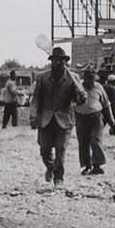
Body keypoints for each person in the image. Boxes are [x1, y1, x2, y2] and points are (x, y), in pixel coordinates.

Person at [31, 46, 84, 187]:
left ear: (65, 62)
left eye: (61, 60)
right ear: (51, 61)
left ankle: (58, 177)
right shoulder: (42, 77)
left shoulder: (74, 78)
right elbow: (35, 99)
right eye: (55, 60)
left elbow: (78, 99)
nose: (58, 63)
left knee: (61, 149)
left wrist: (81, 97)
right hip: (45, 120)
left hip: (64, 120)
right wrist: (33, 116)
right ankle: (50, 167)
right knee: (44, 150)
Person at [74, 68, 114, 175]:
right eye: (88, 79)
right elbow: (71, 102)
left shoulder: (99, 87)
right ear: (84, 78)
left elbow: (106, 104)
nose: (90, 83)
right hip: (81, 118)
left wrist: (111, 118)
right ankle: (87, 166)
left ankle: (97, 165)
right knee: (83, 142)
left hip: (96, 117)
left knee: (96, 140)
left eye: (92, 80)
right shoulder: (78, 87)